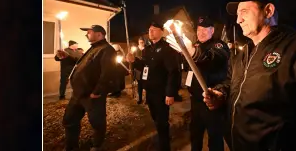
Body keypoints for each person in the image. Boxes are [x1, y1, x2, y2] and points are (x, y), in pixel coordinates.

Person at [203, 0, 296, 150]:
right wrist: (221, 93)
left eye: (245, 12)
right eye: (237, 14)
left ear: (268, 11)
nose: (238, 20)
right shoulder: (242, 54)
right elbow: (231, 83)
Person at [165, 16, 229, 151]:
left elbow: (213, 58)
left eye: (205, 29)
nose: (201, 32)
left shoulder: (218, 45)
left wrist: (194, 53)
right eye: (199, 29)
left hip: (212, 101)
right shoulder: (195, 45)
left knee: (215, 137)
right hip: (195, 102)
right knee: (195, 134)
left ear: (212, 31)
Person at [126, 21, 181, 151]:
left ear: (162, 31)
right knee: (156, 119)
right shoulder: (147, 50)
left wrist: (170, 93)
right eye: (149, 29)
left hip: (161, 92)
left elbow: (173, 72)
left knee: (162, 122)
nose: (151, 31)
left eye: (154, 29)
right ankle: (163, 139)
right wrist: (134, 61)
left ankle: (164, 146)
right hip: (150, 91)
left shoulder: (168, 49)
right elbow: (146, 67)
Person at [62, 25, 118, 151]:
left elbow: (108, 72)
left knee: (97, 122)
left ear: (99, 34)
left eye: (89, 32)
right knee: (69, 119)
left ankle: (96, 145)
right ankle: (71, 146)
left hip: (92, 95)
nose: (86, 34)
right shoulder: (93, 48)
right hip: (78, 94)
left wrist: (97, 91)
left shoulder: (106, 50)